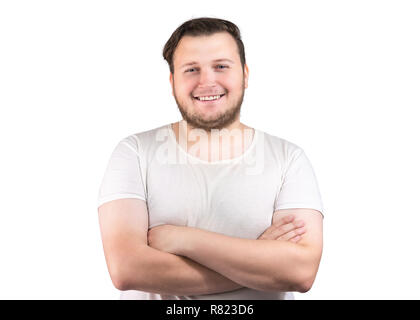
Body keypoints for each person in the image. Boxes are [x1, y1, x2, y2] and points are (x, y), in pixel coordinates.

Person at [97, 17, 324, 300]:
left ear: (245, 74)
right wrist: (257, 260)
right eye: (191, 69)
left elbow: (300, 273)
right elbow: (127, 269)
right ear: (172, 81)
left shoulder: (289, 159)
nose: (207, 81)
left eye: (221, 66)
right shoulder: (134, 152)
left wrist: (183, 240)